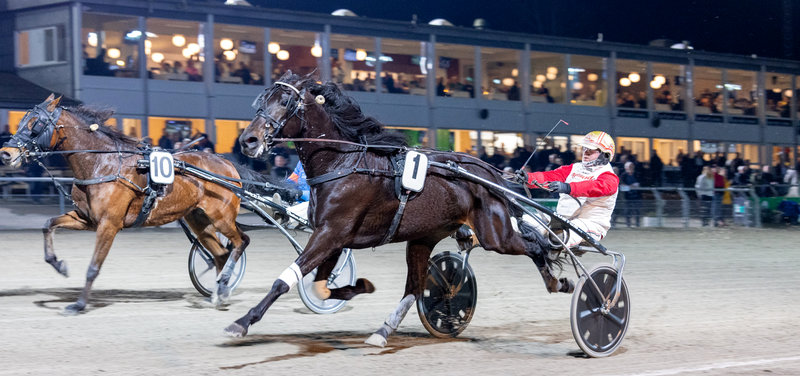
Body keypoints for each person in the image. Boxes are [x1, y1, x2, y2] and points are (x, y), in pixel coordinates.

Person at [518, 131, 619, 293]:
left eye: (591, 150)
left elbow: (593, 187)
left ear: (605, 155)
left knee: (559, 235)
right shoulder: (574, 168)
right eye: (584, 149)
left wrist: (568, 187)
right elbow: (550, 176)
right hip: (563, 219)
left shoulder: (609, 177)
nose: (585, 153)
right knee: (524, 223)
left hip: (591, 224)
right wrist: (528, 178)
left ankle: (550, 249)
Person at [620, 161, 641, 227]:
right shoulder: (623, 175)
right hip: (627, 197)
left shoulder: (637, 174)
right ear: (626, 168)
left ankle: (637, 224)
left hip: (636, 196)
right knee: (627, 211)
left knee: (637, 211)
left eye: (632, 166)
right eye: (629, 167)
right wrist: (630, 186)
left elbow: (640, 183)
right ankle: (628, 225)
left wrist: (629, 186)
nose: (631, 168)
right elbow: (622, 185)